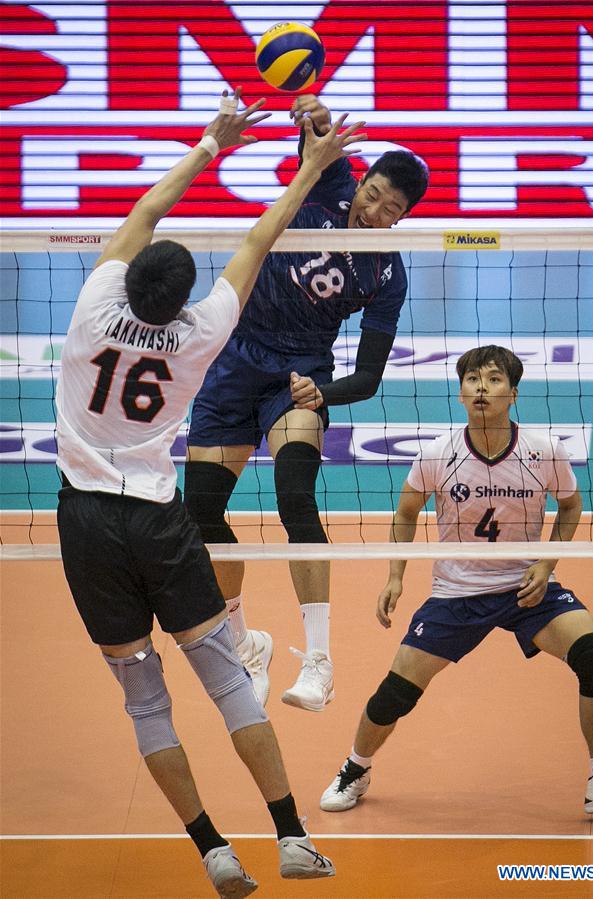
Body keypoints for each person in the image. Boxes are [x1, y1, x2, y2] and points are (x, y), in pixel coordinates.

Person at [55, 88, 366, 898]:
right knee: (226, 676)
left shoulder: (92, 306)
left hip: (86, 525)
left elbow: (144, 213)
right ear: (178, 298)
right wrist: (313, 166)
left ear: (128, 278)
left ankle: (210, 850)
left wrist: (208, 144)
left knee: (143, 698)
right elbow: (261, 238)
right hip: (158, 521)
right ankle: (291, 838)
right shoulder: (199, 335)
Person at [320, 345, 593, 817]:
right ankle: (356, 767)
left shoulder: (544, 451)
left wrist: (546, 563)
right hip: (457, 592)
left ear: (513, 393)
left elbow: (572, 505)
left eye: (494, 379)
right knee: (396, 693)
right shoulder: (439, 453)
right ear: (460, 394)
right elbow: (406, 512)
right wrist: (395, 575)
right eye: (473, 379)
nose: (482, 387)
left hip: (527, 588)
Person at [184, 94, 429, 713]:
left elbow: (369, 376)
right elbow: (318, 134)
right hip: (234, 360)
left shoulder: (386, 276)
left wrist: (324, 392)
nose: (372, 210)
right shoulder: (327, 190)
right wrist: (312, 106)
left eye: (389, 209)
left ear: (402, 219)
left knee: (295, 495)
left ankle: (319, 661)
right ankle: (246, 645)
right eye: (372, 194)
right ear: (362, 181)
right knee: (199, 516)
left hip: (299, 377)